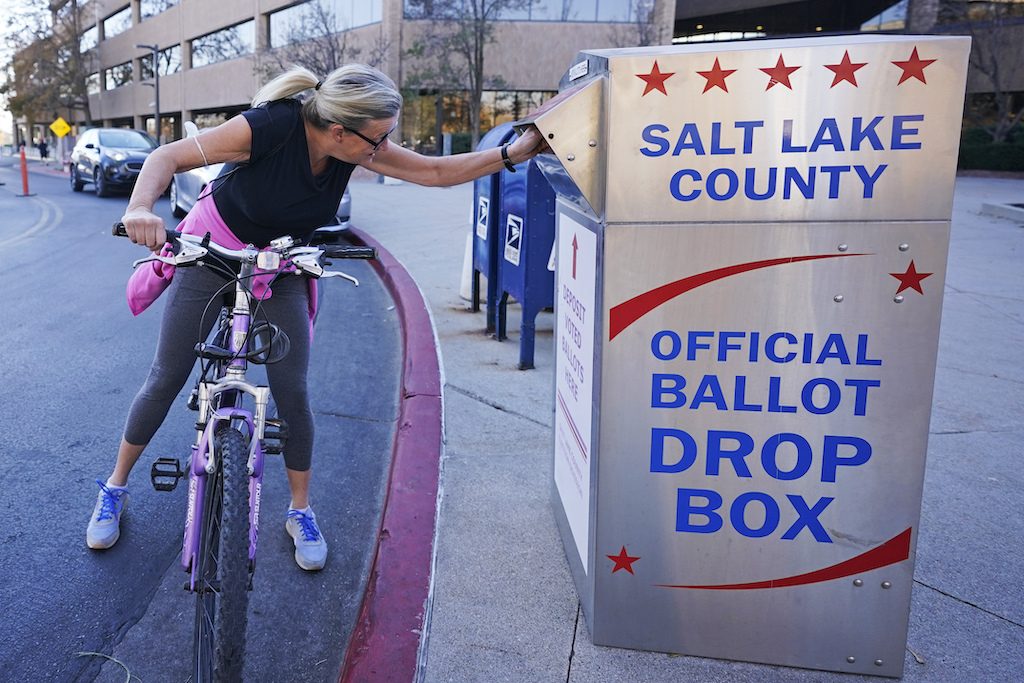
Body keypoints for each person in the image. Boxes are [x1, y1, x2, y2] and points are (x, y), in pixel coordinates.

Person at [86, 63, 546, 570]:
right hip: (213, 246)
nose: (383, 149)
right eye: (377, 139)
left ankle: (299, 510)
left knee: (293, 389)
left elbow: (434, 172)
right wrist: (139, 209)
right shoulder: (271, 126)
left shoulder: (354, 145)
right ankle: (115, 487)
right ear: (338, 130)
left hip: (279, 261)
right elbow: (168, 156)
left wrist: (511, 153)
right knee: (167, 374)